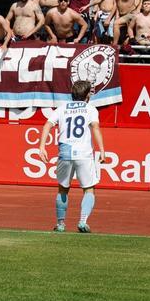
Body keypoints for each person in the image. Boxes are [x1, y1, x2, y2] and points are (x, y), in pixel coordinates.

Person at [37, 80, 106, 233]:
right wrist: (102, 149)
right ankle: (82, 221)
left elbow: (47, 124)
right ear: (88, 95)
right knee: (89, 189)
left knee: (62, 189)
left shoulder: (62, 108)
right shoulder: (91, 109)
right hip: (84, 154)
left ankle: (61, 224)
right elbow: (95, 127)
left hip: (65, 153)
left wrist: (42, 147)